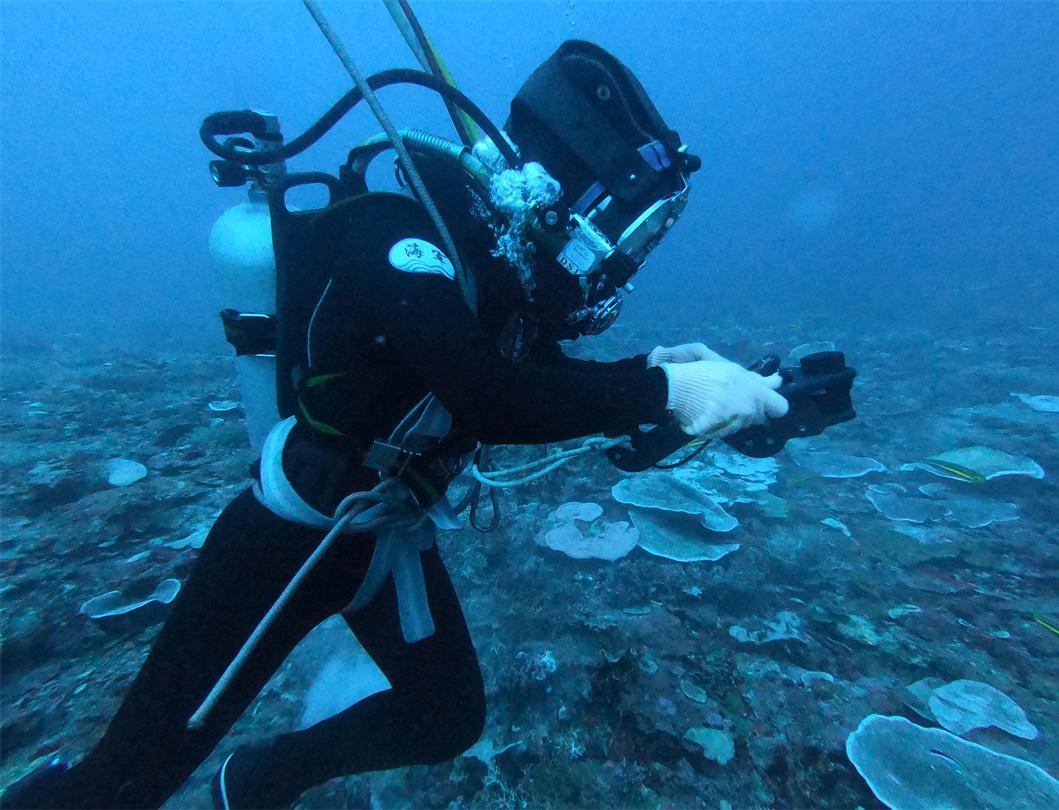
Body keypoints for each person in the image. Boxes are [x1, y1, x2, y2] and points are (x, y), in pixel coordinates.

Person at [3, 39, 787, 810]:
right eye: (615, 224)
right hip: (292, 537)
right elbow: (491, 397)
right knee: (123, 783)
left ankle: (259, 782)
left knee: (446, 714)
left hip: (386, 538)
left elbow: (540, 376)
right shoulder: (399, 237)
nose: (612, 256)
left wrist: (666, 370)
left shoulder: (495, 279)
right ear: (564, 189)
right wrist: (664, 389)